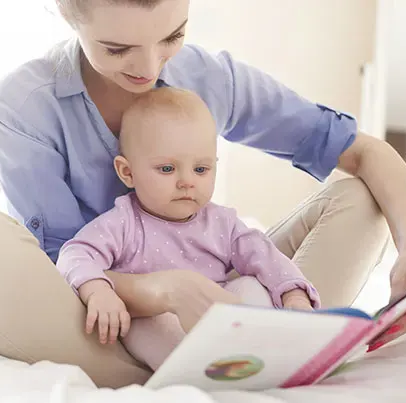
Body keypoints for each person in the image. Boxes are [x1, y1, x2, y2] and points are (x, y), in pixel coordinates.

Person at [0, 0, 406, 389]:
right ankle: (204, 370)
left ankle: (273, 341)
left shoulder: (208, 78)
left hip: (217, 301)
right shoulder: (26, 105)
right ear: (67, 13)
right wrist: (166, 290)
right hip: (98, 315)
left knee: (363, 196)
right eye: (117, 48)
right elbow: (66, 265)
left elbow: (363, 153)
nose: (149, 66)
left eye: (172, 36)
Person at [55, 86, 320, 370]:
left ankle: (264, 353)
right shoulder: (123, 222)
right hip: (160, 319)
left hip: (220, 317)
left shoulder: (222, 223)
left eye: (201, 170)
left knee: (253, 285)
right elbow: (75, 254)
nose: (186, 182)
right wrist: (98, 290)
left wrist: (295, 297)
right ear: (127, 172)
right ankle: (192, 370)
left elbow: (267, 258)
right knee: (147, 326)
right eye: (167, 169)